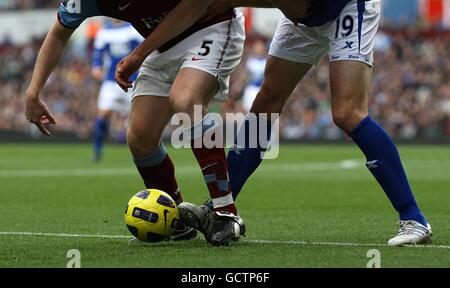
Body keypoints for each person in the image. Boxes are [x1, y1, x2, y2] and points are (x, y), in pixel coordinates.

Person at [180, 0, 433, 247]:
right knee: (265, 103)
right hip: (302, 16)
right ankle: (222, 210)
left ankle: (414, 218)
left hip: (345, 6)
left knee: (348, 113)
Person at [25, 0, 250, 246]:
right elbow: (59, 33)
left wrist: (138, 55)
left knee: (186, 101)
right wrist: (33, 92)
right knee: (140, 137)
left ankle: (226, 213)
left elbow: (194, 5)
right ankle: (176, 221)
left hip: (211, 28)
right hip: (162, 46)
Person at [91, 19, 143, 162]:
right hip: (110, 80)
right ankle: (97, 151)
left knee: (138, 118)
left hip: (133, 80)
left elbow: (143, 49)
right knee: (103, 113)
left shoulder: (133, 28)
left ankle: (142, 153)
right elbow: (98, 53)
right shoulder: (104, 31)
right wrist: (96, 67)